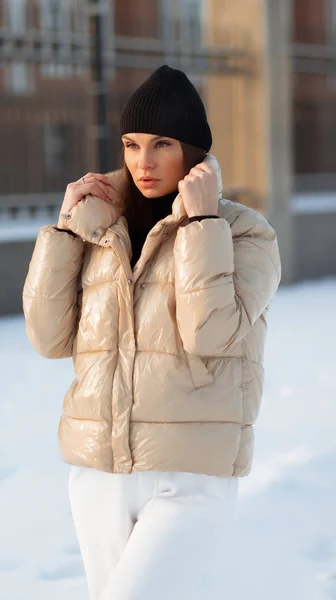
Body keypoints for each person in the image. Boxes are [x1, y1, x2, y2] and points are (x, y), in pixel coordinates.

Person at [22, 65, 282, 600]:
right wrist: (65, 229)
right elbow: (48, 338)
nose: (143, 161)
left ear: (193, 151)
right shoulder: (97, 228)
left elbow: (212, 336)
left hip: (192, 473)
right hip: (100, 470)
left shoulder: (245, 233)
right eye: (132, 143)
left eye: (161, 143)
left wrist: (202, 224)